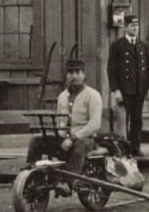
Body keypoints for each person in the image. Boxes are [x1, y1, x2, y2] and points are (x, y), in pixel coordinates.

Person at [26, 58, 102, 189]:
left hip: (85, 139)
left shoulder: (93, 95)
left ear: (84, 75)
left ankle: (66, 182)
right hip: (64, 139)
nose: (74, 76)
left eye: (77, 72)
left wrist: (73, 138)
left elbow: (95, 124)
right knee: (36, 141)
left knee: (79, 148)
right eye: (70, 73)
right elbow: (59, 122)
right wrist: (58, 138)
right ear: (66, 76)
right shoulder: (62, 97)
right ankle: (30, 175)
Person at [106, 14, 149, 155]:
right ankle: (122, 149)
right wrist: (115, 90)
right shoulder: (118, 45)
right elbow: (111, 69)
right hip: (124, 91)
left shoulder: (143, 45)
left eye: (137, 25)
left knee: (137, 121)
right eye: (132, 25)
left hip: (140, 90)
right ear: (125, 27)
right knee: (122, 121)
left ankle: (135, 148)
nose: (135, 28)